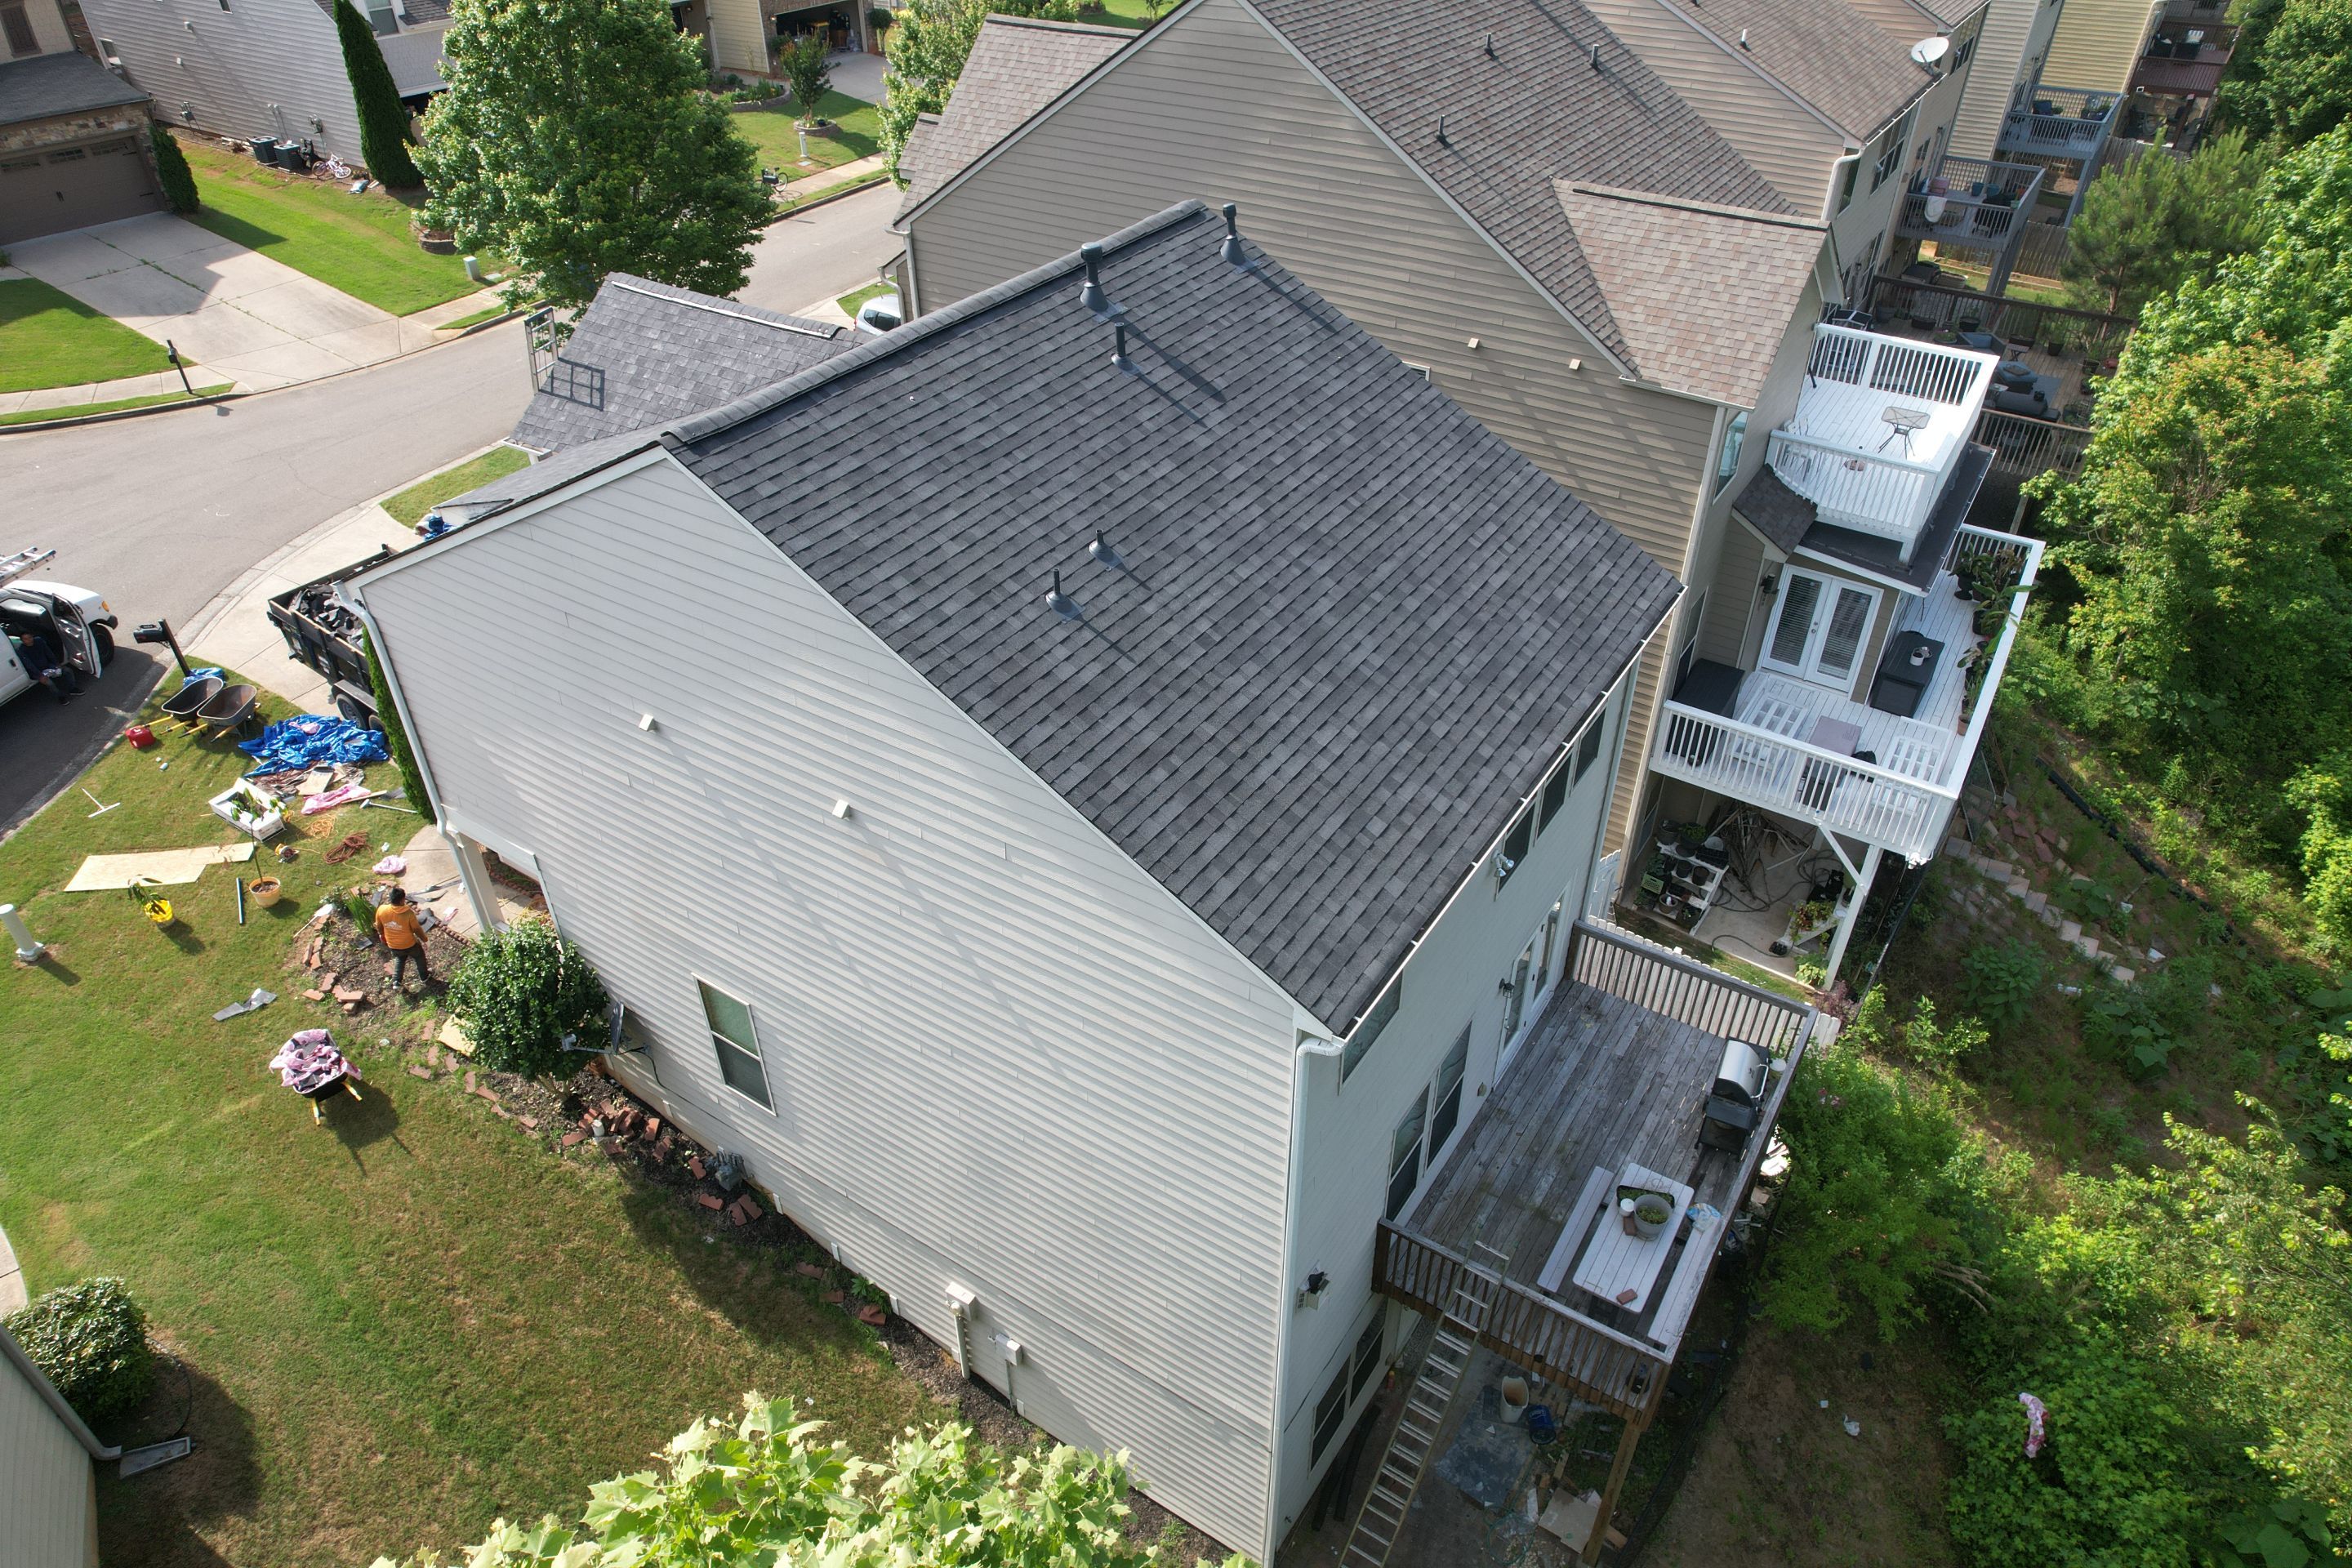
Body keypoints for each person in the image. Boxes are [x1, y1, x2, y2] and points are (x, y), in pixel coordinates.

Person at [375, 887, 431, 987]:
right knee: (419, 957)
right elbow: (416, 929)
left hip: (393, 945)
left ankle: (397, 981)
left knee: (400, 959)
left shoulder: (382, 910)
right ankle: (424, 976)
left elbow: (379, 925)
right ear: (402, 900)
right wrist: (425, 940)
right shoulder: (408, 913)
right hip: (409, 944)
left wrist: (381, 935)